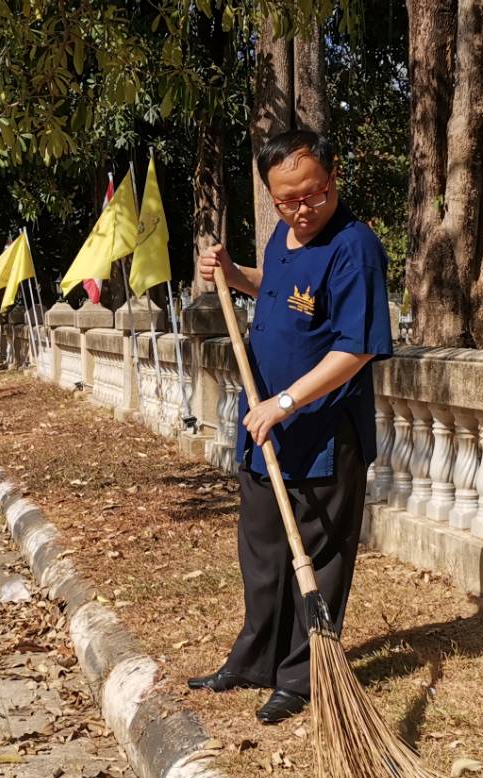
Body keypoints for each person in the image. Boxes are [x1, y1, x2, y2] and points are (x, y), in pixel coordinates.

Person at [191, 129, 393, 725]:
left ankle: (303, 676)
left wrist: (286, 401)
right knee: (263, 550)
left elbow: (354, 349)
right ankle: (255, 659)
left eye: (315, 194)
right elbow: (281, 292)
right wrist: (234, 274)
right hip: (267, 426)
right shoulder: (284, 235)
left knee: (320, 556)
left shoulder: (355, 247)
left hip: (324, 431)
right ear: (272, 197)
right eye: (288, 200)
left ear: (334, 178)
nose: (304, 209)